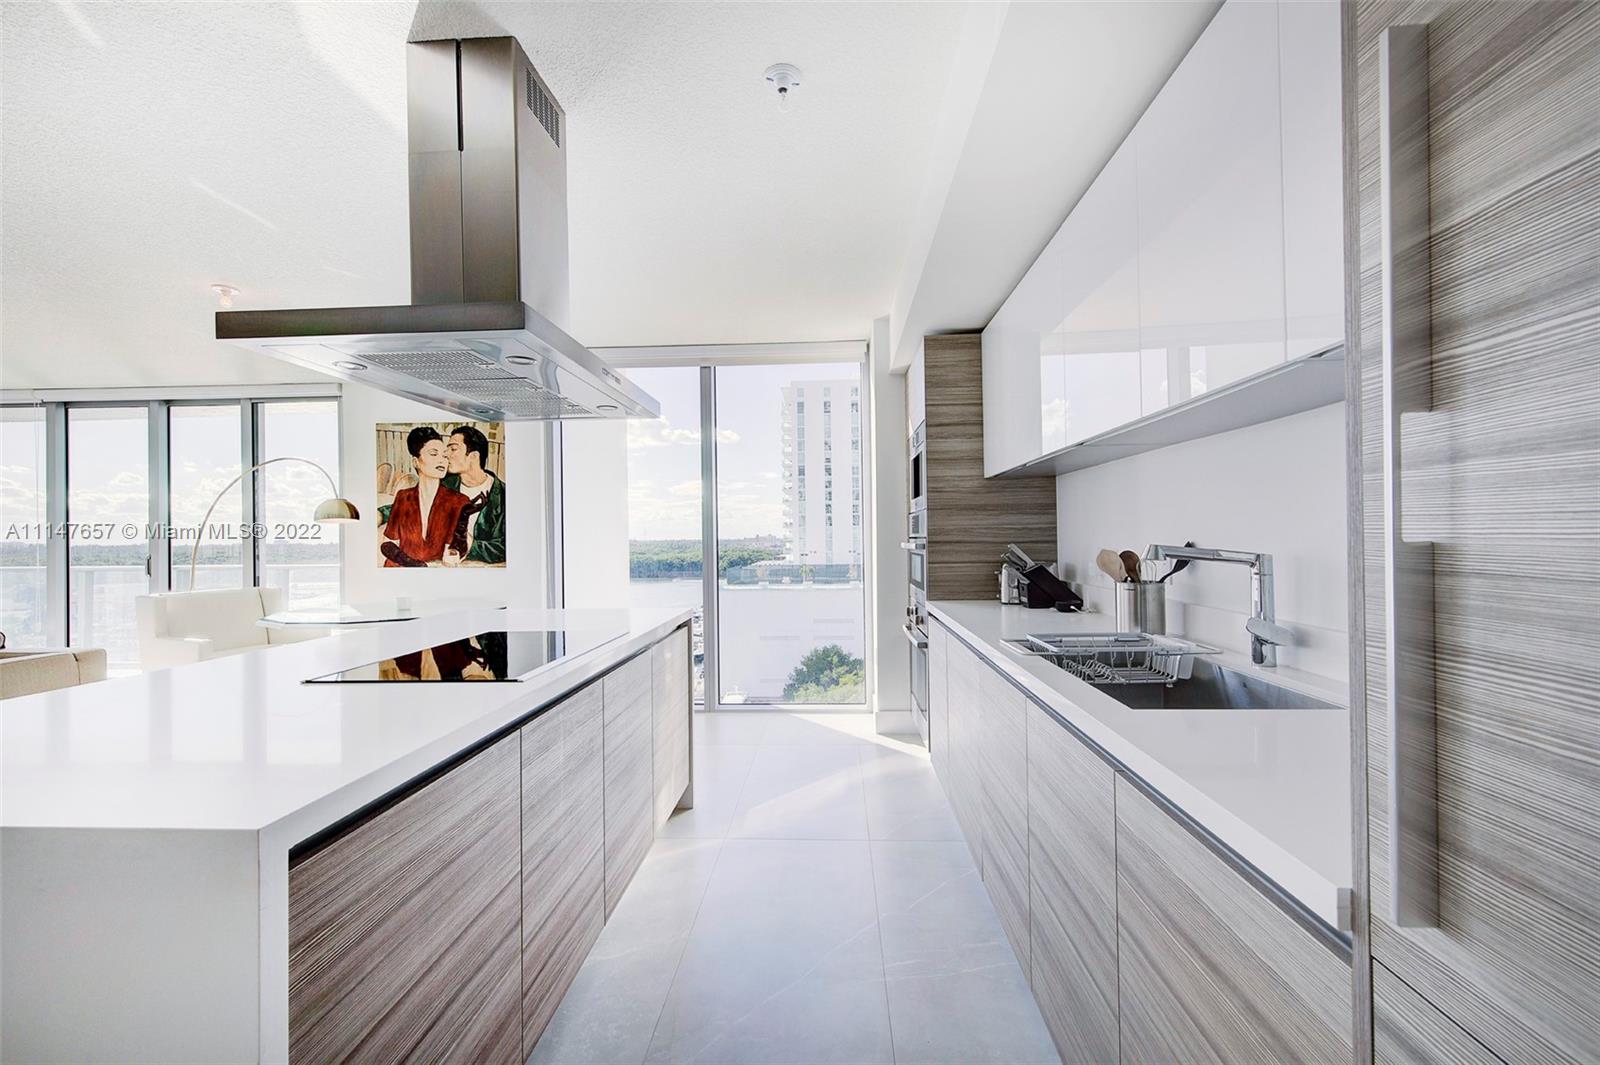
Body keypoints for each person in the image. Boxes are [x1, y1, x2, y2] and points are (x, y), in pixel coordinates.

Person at [380, 426, 469, 567]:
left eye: (445, 456)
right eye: (434, 454)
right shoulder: (403, 497)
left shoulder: (458, 501)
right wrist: (412, 564)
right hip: (398, 570)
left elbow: (454, 551)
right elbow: (387, 544)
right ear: (416, 462)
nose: (442, 460)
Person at [443, 424, 507, 565]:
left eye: (453, 449)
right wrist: (382, 513)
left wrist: (470, 545)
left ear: (474, 456)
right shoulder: (445, 484)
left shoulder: (503, 495)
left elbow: (507, 547)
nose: (446, 454)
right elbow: (415, 503)